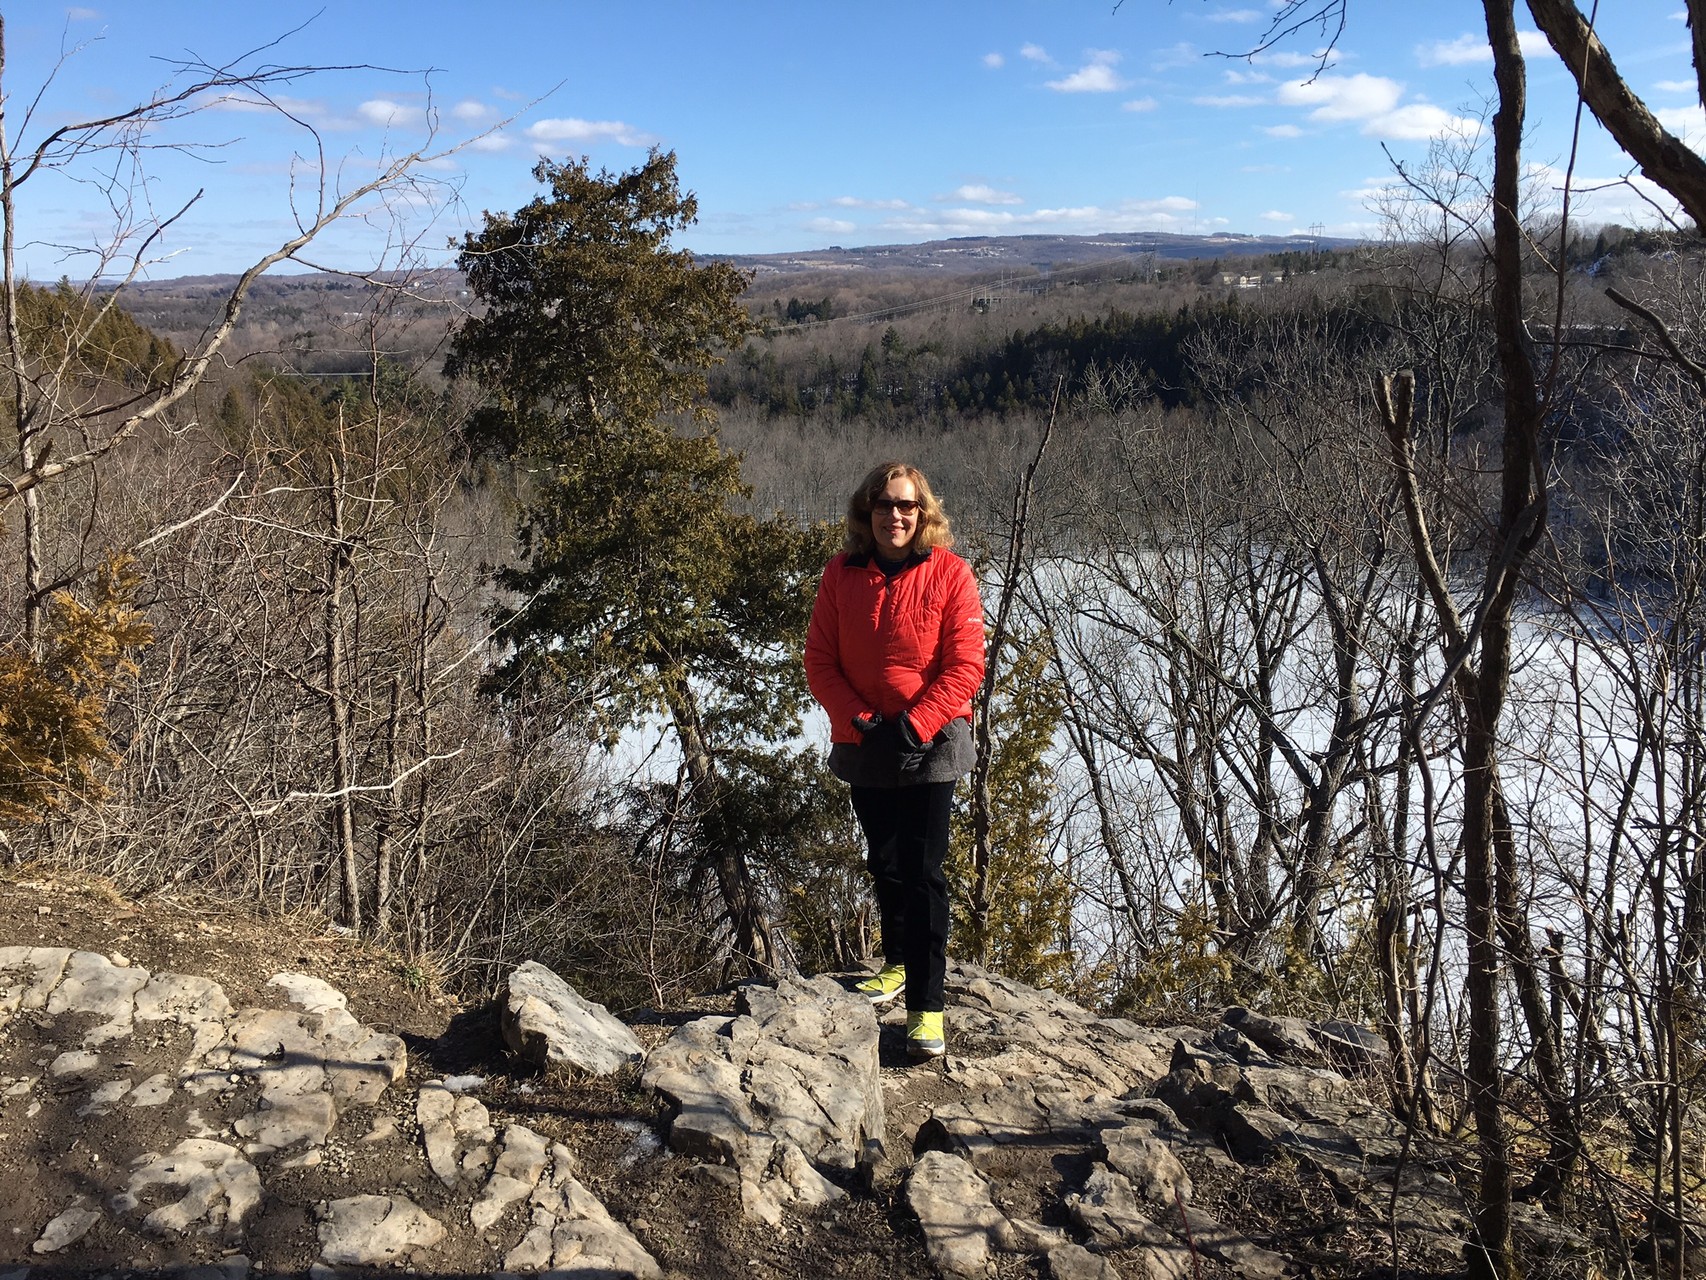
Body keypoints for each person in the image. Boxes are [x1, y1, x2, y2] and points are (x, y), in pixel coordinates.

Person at [804, 461, 986, 1059]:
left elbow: (966, 665)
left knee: (924, 871)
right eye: (884, 504)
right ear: (867, 512)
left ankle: (927, 1009)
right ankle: (897, 962)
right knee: (883, 861)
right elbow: (820, 662)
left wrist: (916, 723)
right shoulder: (841, 574)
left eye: (906, 506)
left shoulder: (951, 574)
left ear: (923, 514)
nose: (895, 515)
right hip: (866, 743)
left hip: (930, 746)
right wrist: (862, 722)